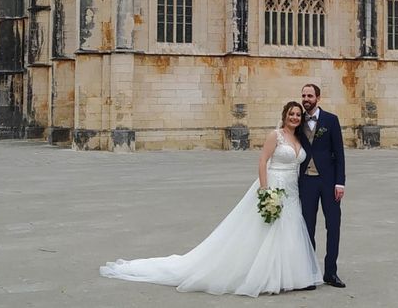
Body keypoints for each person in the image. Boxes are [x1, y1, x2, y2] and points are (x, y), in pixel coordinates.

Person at [100, 101, 321, 296]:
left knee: (289, 229)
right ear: (284, 115)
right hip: (273, 185)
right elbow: (263, 161)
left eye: (298, 115)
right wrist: (265, 190)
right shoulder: (276, 135)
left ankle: (289, 276)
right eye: (291, 114)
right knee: (268, 229)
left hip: (292, 191)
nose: (294, 117)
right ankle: (266, 276)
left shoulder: (300, 138)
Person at [297, 83, 346, 288]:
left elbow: (340, 153)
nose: (306, 98)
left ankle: (330, 272)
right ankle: (310, 273)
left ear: (318, 97)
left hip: (328, 181)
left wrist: (340, 182)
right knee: (307, 228)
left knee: (333, 226)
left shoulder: (331, 120)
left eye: (310, 95)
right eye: (303, 95)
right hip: (306, 181)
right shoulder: (297, 120)